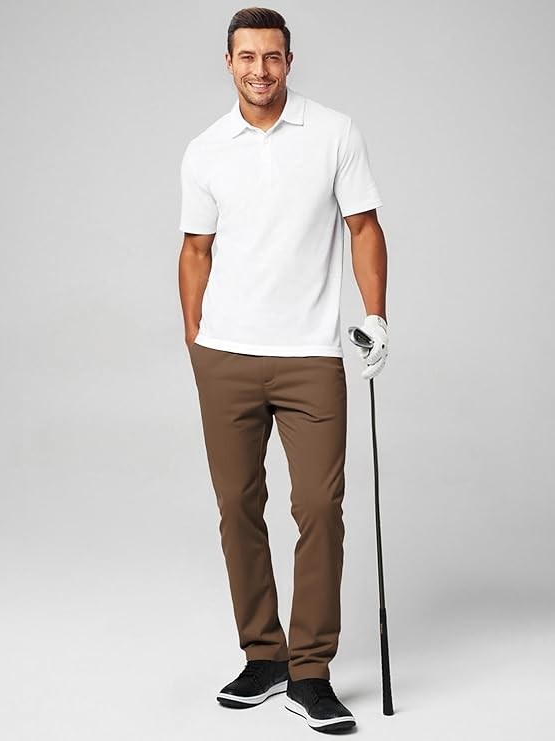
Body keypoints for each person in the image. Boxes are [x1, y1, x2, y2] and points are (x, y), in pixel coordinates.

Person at [178, 6, 388, 734]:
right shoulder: (205, 149)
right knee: (237, 505)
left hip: (310, 356)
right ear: (228, 63)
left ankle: (311, 671)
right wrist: (196, 339)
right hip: (227, 356)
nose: (259, 70)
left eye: (272, 57)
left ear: (289, 61)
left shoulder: (334, 132)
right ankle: (264, 655)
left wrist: (376, 315)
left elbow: (364, 226)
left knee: (319, 509)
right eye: (247, 57)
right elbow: (195, 249)